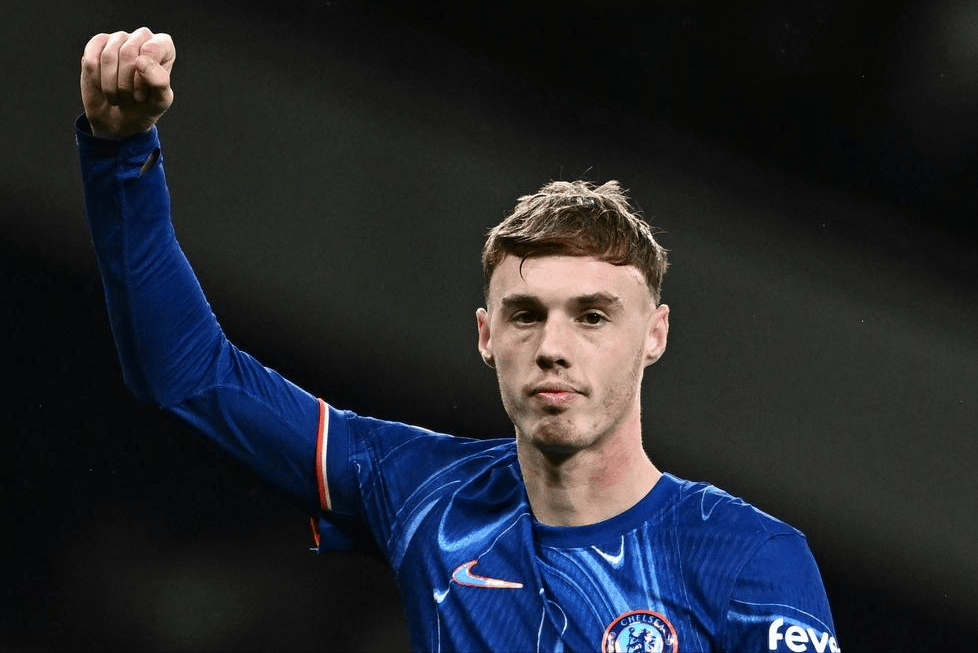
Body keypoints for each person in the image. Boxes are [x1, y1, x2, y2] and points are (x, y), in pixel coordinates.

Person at [76, 27, 840, 653]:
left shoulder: (746, 555)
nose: (553, 346)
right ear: (485, 334)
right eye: (525, 314)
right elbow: (188, 375)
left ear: (655, 335)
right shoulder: (423, 492)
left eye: (592, 316)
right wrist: (121, 153)